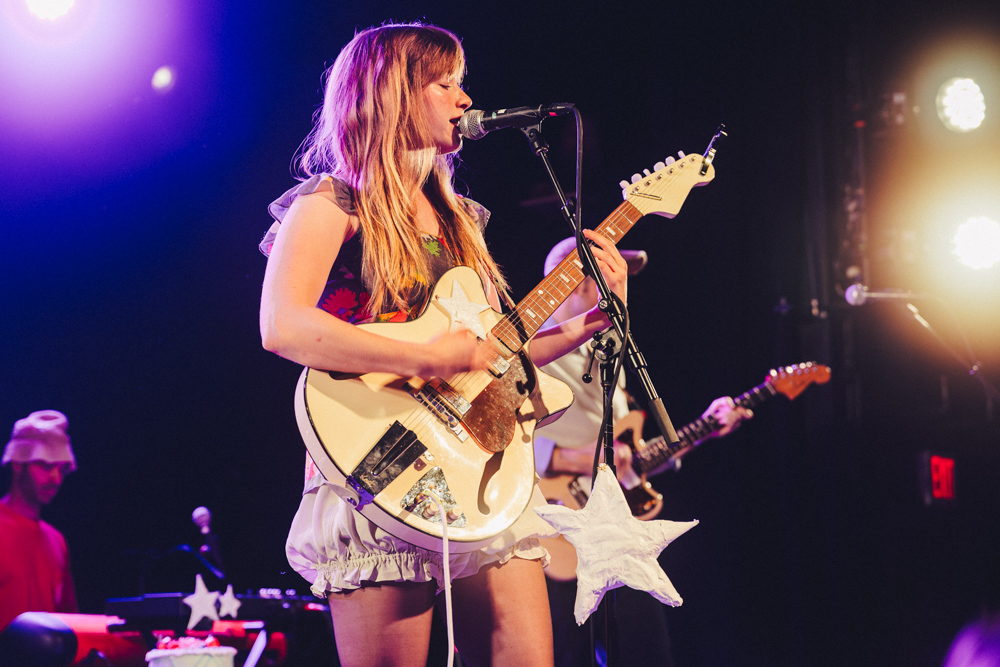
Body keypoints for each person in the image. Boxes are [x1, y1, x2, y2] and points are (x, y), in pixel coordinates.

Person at [258, 23, 630, 667]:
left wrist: (587, 322)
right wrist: (426, 356)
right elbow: (283, 327)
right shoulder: (331, 203)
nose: (464, 99)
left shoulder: (465, 221)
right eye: (446, 83)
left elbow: (490, 357)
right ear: (396, 94)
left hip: (479, 469)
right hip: (378, 461)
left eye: (463, 84)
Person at [534, 237, 752, 667]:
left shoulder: (607, 354)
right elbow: (501, 434)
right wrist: (576, 459)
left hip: (617, 531)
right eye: (609, 278)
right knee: (563, 654)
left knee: (646, 650)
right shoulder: (534, 352)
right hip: (557, 527)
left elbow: (630, 457)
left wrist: (705, 429)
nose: (619, 286)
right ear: (576, 284)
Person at [0, 410, 78, 632]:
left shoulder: (57, 541)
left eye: (62, 469)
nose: (55, 477)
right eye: (45, 465)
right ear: (18, 464)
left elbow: (68, 622)